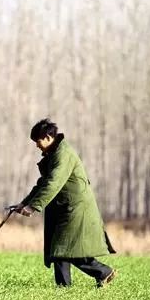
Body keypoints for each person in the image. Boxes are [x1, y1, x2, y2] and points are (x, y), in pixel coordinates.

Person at [14, 118, 117, 288]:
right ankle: (68, 286)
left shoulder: (63, 154)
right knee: (62, 249)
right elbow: (43, 182)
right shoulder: (54, 153)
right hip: (65, 207)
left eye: (38, 141)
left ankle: (100, 273)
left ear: (48, 137)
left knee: (62, 249)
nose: (36, 146)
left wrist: (33, 206)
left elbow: (53, 182)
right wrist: (24, 203)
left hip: (75, 207)